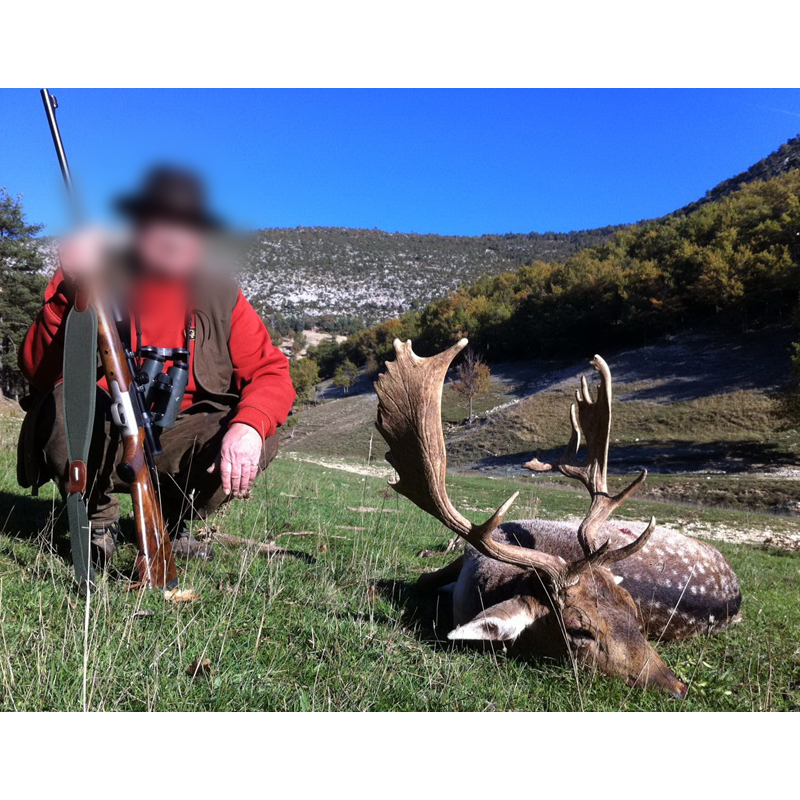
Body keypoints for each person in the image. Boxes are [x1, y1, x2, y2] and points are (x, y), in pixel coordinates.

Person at [16, 167, 296, 562]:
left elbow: (272, 373)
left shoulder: (222, 294)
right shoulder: (89, 272)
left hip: (176, 438)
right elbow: (37, 369)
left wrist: (249, 425)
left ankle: (170, 522)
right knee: (64, 403)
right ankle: (97, 520)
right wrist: (69, 294)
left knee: (259, 436)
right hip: (102, 432)